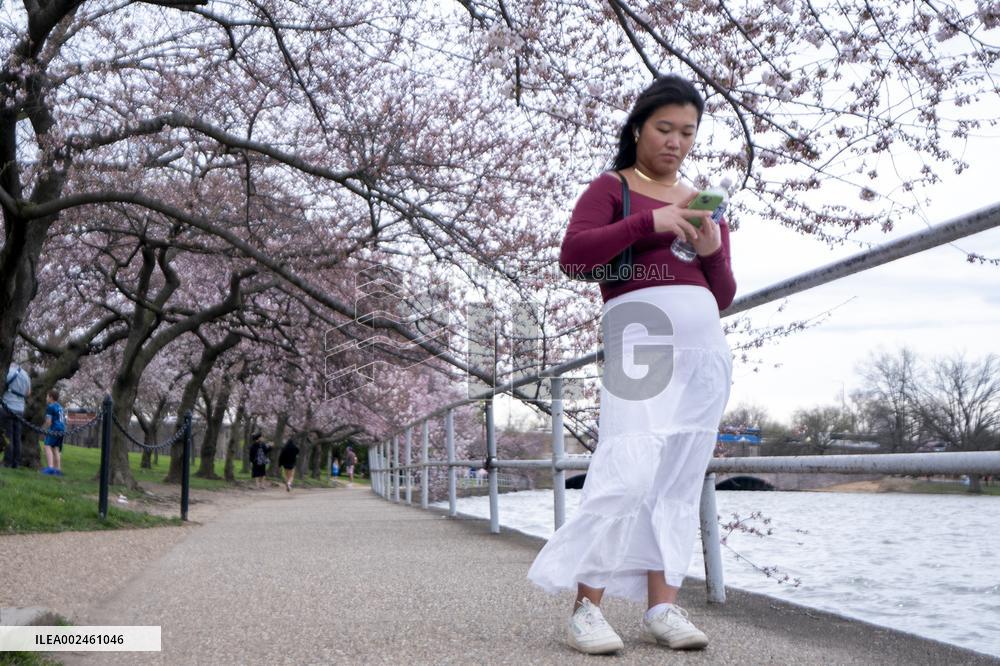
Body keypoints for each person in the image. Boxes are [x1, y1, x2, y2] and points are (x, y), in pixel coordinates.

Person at [527, 75, 736, 655]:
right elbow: (574, 258)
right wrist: (651, 223)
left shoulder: (699, 199)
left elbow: (722, 295)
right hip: (639, 330)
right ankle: (586, 611)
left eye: (688, 132)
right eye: (665, 128)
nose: (676, 142)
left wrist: (712, 250)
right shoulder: (612, 187)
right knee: (630, 466)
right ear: (640, 127)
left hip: (704, 347)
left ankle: (662, 607)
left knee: (678, 476)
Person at [2, 363, 31, 469]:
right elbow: (28, 393)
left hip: (7, 406)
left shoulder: (8, 373)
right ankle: (16, 462)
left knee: (8, 436)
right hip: (20, 409)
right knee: (17, 437)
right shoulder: (26, 375)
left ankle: (7, 462)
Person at [42, 389, 66, 476]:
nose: (46, 398)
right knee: (56, 448)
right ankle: (58, 469)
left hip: (54, 429)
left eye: (47, 396)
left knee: (47, 446)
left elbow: (49, 421)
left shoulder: (50, 407)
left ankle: (50, 467)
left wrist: (44, 429)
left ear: (51, 397)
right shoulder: (60, 407)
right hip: (62, 429)